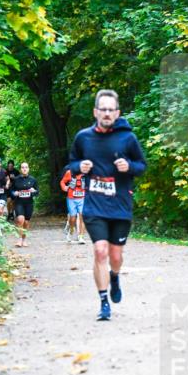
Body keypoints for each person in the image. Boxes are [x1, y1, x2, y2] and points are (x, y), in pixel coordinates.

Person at [67, 89, 147, 321]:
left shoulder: (127, 138)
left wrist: (129, 167)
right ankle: (104, 303)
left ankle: (115, 276)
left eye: (111, 110)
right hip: (94, 206)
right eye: (103, 109)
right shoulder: (83, 137)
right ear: (95, 112)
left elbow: (142, 165)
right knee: (100, 250)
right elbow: (71, 163)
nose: (107, 113)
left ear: (117, 112)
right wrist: (79, 166)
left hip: (120, 206)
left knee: (115, 256)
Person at [9, 162, 38, 247]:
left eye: (26, 167)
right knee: (20, 219)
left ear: (28, 169)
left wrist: (34, 191)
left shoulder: (33, 180)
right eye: (22, 167)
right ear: (20, 169)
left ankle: (24, 239)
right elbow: (11, 191)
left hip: (29, 203)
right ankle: (19, 239)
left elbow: (37, 192)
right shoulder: (16, 179)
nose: (24, 169)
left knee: (26, 222)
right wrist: (15, 193)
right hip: (19, 203)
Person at [60, 167, 87, 244]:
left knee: (82, 216)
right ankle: (71, 230)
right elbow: (62, 182)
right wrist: (64, 187)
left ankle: (81, 236)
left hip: (82, 198)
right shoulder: (69, 172)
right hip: (71, 198)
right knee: (72, 218)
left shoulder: (87, 173)